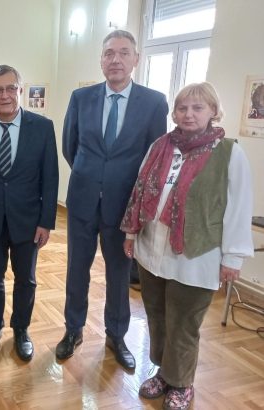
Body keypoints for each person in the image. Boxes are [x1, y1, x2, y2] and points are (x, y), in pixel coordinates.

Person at [121, 82, 254, 410]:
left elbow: (239, 207)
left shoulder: (229, 153)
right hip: (152, 251)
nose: (189, 114)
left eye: (197, 107)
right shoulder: (161, 145)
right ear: (175, 113)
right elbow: (140, 190)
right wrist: (131, 234)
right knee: (157, 316)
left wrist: (233, 257)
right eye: (182, 108)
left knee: (184, 323)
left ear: (213, 111)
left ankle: (181, 382)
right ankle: (164, 372)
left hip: (197, 257)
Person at [57, 30, 168, 370]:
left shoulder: (154, 102)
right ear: (101, 60)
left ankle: (116, 335)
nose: (115, 59)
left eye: (123, 53)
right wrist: (94, 178)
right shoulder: (81, 98)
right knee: (77, 268)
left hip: (124, 207)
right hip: (83, 200)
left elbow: (155, 157)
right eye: (109, 53)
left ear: (136, 59)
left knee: (119, 273)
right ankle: (73, 329)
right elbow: (70, 146)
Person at [0, 65, 59, 362]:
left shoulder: (42, 127)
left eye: (10, 88)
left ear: (20, 89)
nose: (4, 95)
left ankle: (21, 329)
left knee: (26, 280)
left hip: (28, 221)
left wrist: (46, 222)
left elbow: (50, 177)